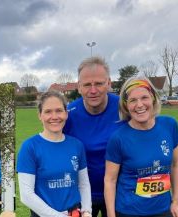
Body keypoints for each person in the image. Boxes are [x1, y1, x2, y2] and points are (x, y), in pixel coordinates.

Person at [104, 77, 178, 217]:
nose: (139, 105)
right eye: (133, 100)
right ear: (125, 105)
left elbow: (176, 164)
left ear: (153, 98)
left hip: (164, 210)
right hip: (129, 211)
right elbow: (110, 180)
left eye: (144, 97)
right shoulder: (118, 138)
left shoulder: (170, 125)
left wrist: (176, 201)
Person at [64, 56, 124, 217]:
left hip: (118, 193)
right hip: (80, 195)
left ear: (109, 83)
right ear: (79, 87)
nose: (93, 90)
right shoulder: (67, 114)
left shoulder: (124, 108)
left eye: (99, 83)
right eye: (87, 85)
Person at [17, 90, 92, 217]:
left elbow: (83, 183)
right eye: (48, 111)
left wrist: (87, 211)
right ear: (39, 115)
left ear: (66, 114)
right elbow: (26, 195)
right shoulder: (29, 147)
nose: (54, 116)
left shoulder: (77, 145)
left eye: (59, 110)